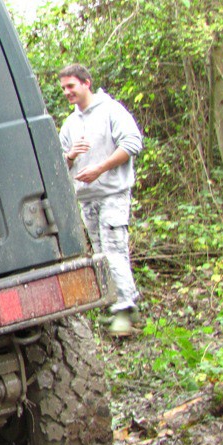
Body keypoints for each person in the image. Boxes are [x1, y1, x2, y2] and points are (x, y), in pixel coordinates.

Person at [58, 63, 143, 335]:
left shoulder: (111, 111)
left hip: (113, 193)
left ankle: (125, 311)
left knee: (114, 249)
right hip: (88, 199)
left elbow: (132, 144)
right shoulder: (70, 124)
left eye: (71, 86)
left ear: (86, 83)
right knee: (101, 254)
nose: (67, 92)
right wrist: (70, 156)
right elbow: (58, 163)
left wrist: (100, 169)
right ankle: (121, 306)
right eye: (64, 88)